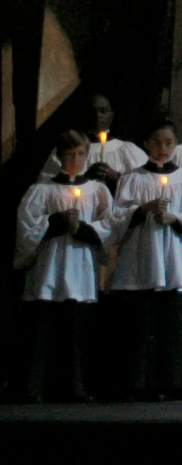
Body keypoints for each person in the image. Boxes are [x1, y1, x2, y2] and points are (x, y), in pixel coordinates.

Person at [105, 118, 182, 399]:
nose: (163, 148)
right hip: (140, 259)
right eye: (157, 143)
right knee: (140, 323)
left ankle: (173, 383)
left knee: (171, 322)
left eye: (169, 143)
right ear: (146, 144)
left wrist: (174, 218)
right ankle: (138, 383)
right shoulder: (132, 178)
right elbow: (117, 217)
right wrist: (141, 209)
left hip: (174, 260)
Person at [17, 129, 117, 402]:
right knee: (43, 330)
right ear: (60, 157)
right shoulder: (41, 190)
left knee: (76, 332)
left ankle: (75, 387)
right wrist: (55, 222)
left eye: (80, 154)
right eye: (70, 155)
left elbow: (110, 225)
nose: (75, 160)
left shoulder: (97, 190)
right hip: (49, 266)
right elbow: (26, 228)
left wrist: (82, 229)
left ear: (87, 156)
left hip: (80, 265)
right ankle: (34, 388)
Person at [44, 91, 148, 183]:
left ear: (111, 115)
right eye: (91, 111)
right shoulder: (66, 150)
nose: (97, 116)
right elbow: (48, 186)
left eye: (103, 111)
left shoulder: (128, 151)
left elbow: (146, 185)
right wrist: (84, 179)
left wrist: (117, 177)